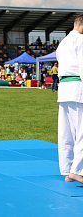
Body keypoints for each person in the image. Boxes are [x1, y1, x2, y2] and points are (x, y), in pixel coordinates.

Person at [56, 14, 83, 184]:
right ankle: (78, 170)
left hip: (65, 88)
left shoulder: (63, 42)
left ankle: (68, 169)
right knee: (81, 132)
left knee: (67, 132)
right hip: (78, 88)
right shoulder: (80, 40)